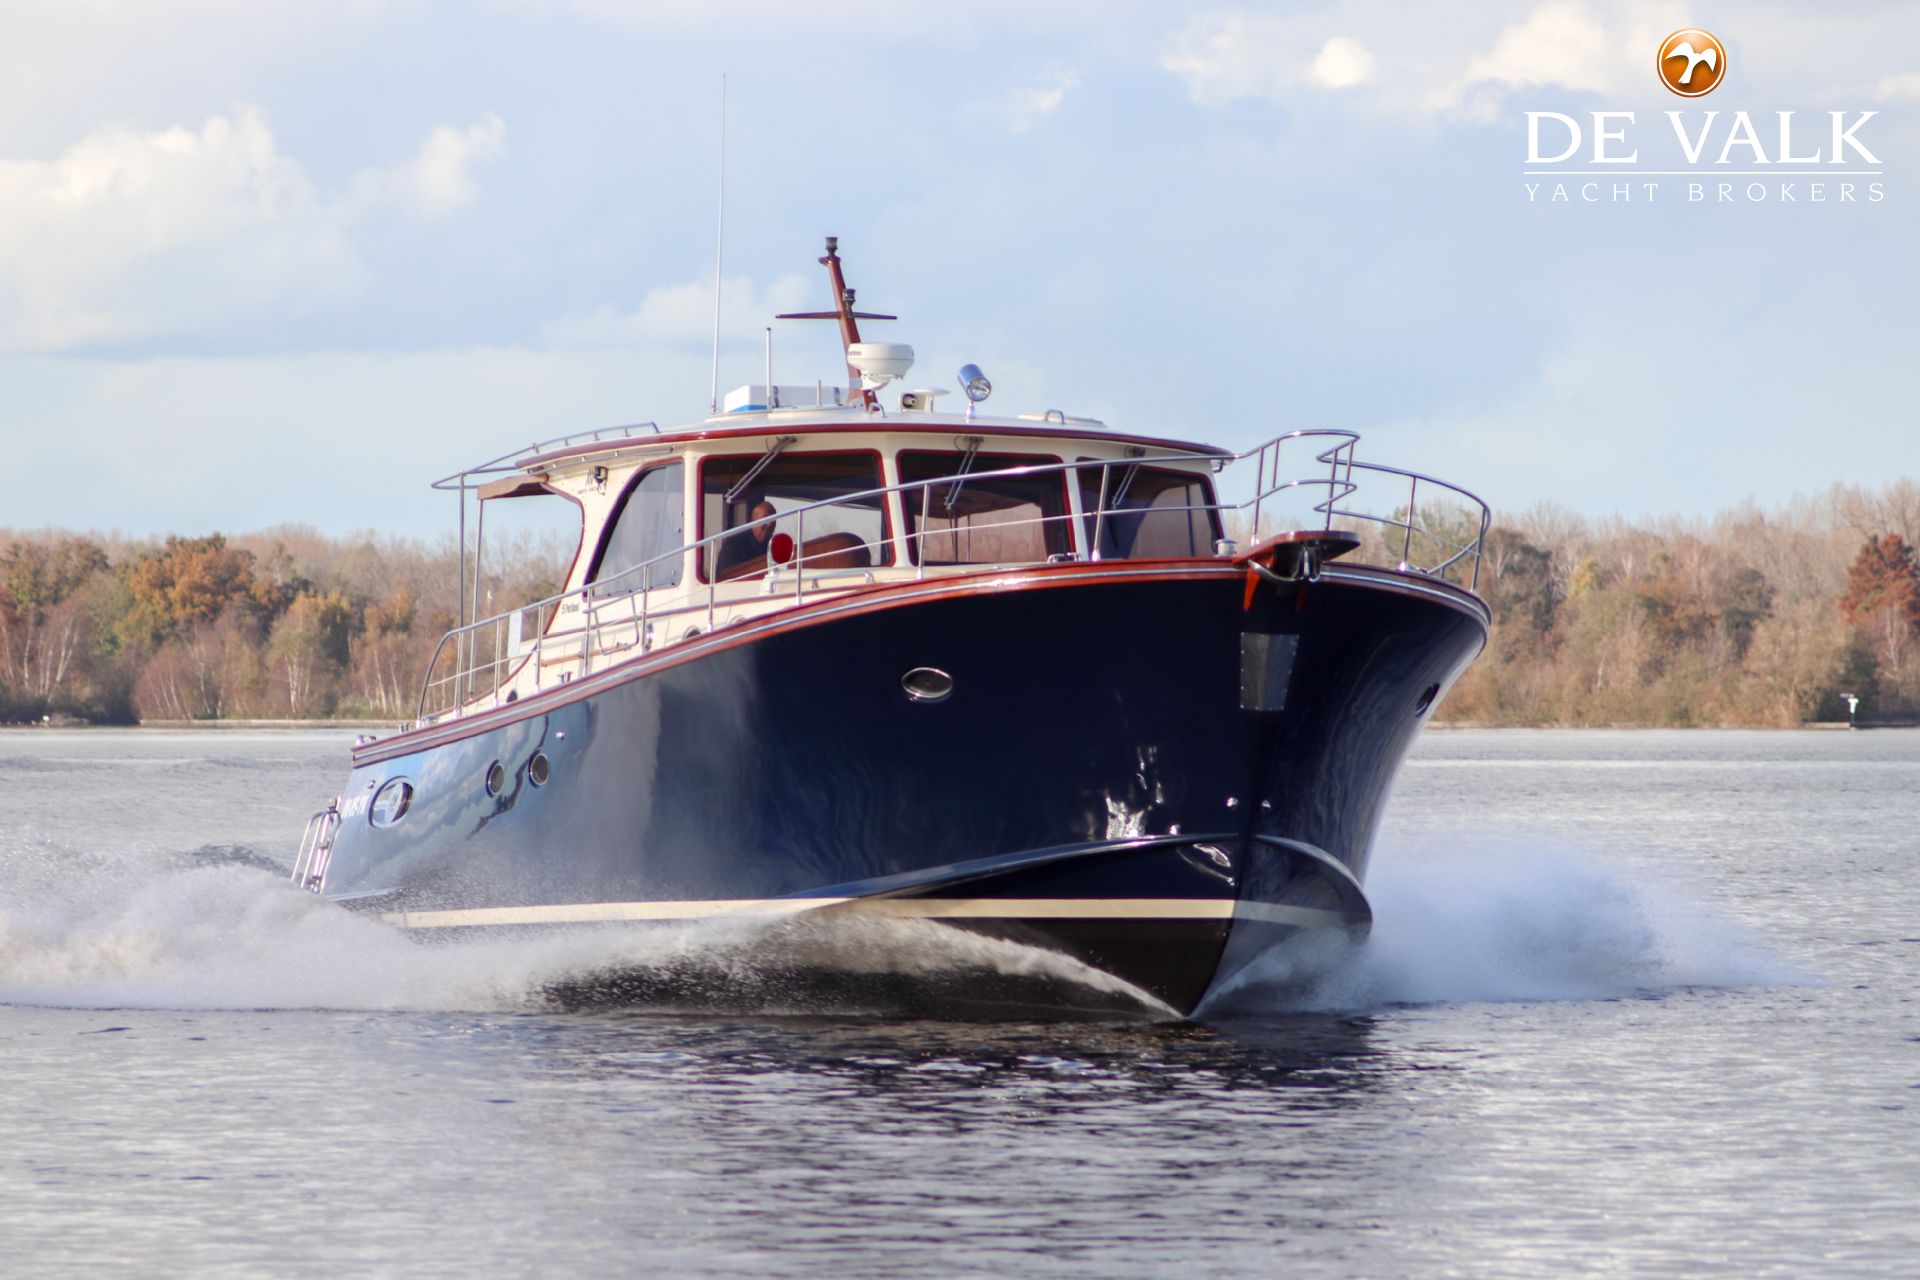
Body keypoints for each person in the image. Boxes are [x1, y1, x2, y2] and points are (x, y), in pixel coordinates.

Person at [716, 498, 778, 578]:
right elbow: (727, 576)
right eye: (766, 518)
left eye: (773, 519)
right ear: (753, 521)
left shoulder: (776, 545)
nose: (770, 524)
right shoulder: (734, 544)